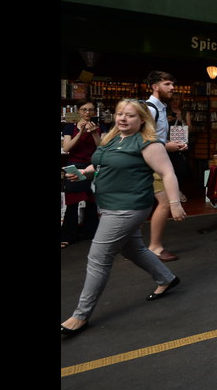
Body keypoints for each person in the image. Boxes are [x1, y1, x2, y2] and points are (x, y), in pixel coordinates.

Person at [61, 99, 185, 337]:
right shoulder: (112, 138)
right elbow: (102, 165)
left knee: (98, 258)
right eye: (119, 114)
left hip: (128, 206)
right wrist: (85, 173)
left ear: (142, 119)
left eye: (129, 115)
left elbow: (167, 173)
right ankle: (166, 278)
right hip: (108, 204)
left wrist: (174, 203)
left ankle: (80, 315)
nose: (123, 119)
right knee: (132, 249)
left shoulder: (148, 143)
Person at [144, 71, 188, 262]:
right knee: (163, 203)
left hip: (156, 161)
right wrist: (165, 145)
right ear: (155, 86)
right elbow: (142, 139)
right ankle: (155, 247)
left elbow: (156, 137)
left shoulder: (161, 108)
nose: (172, 88)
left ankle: (136, 248)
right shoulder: (150, 109)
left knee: (140, 206)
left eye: (172, 84)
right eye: (167, 84)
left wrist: (171, 143)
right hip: (151, 164)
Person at [62, 100, 102, 247]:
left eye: (91, 110)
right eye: (84, 110)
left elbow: (102, 146)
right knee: (72, 201)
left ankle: (91, 232)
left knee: (92, 200)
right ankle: (68, 235)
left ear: (94, 112)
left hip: (92, 165)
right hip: (74, 165)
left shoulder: (99, 127)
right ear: (79, 111)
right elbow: (66, 148)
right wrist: (81, 133)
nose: (87, 113)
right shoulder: (69, 127)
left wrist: (93, 133)